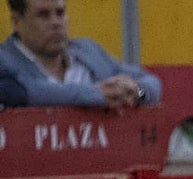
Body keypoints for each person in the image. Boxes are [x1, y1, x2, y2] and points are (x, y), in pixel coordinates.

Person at [0, 0, 160, 111]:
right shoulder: (4, 61)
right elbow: (30, 92)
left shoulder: (87, 51)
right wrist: (96, 95)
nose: (56, 23)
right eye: (43, 15)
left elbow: (152, 83)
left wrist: (137, 92)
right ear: (16, 22)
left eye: (60, 13)